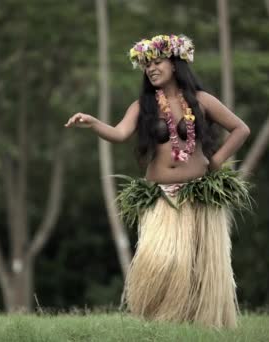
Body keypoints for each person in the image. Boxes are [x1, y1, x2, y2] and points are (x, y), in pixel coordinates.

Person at [65, 34, 251, 328]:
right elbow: (119, 133)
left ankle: (195, 322)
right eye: (146, 64)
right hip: (162, 199)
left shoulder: (201, 101)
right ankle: (161, 317)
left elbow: (240, 129)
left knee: (197, 267)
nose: (151, 68)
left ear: (175, 64)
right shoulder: (144, 106)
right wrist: (94, 124)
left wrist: (215, 162)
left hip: (198, 198)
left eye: (158, 62)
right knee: (161, 261)